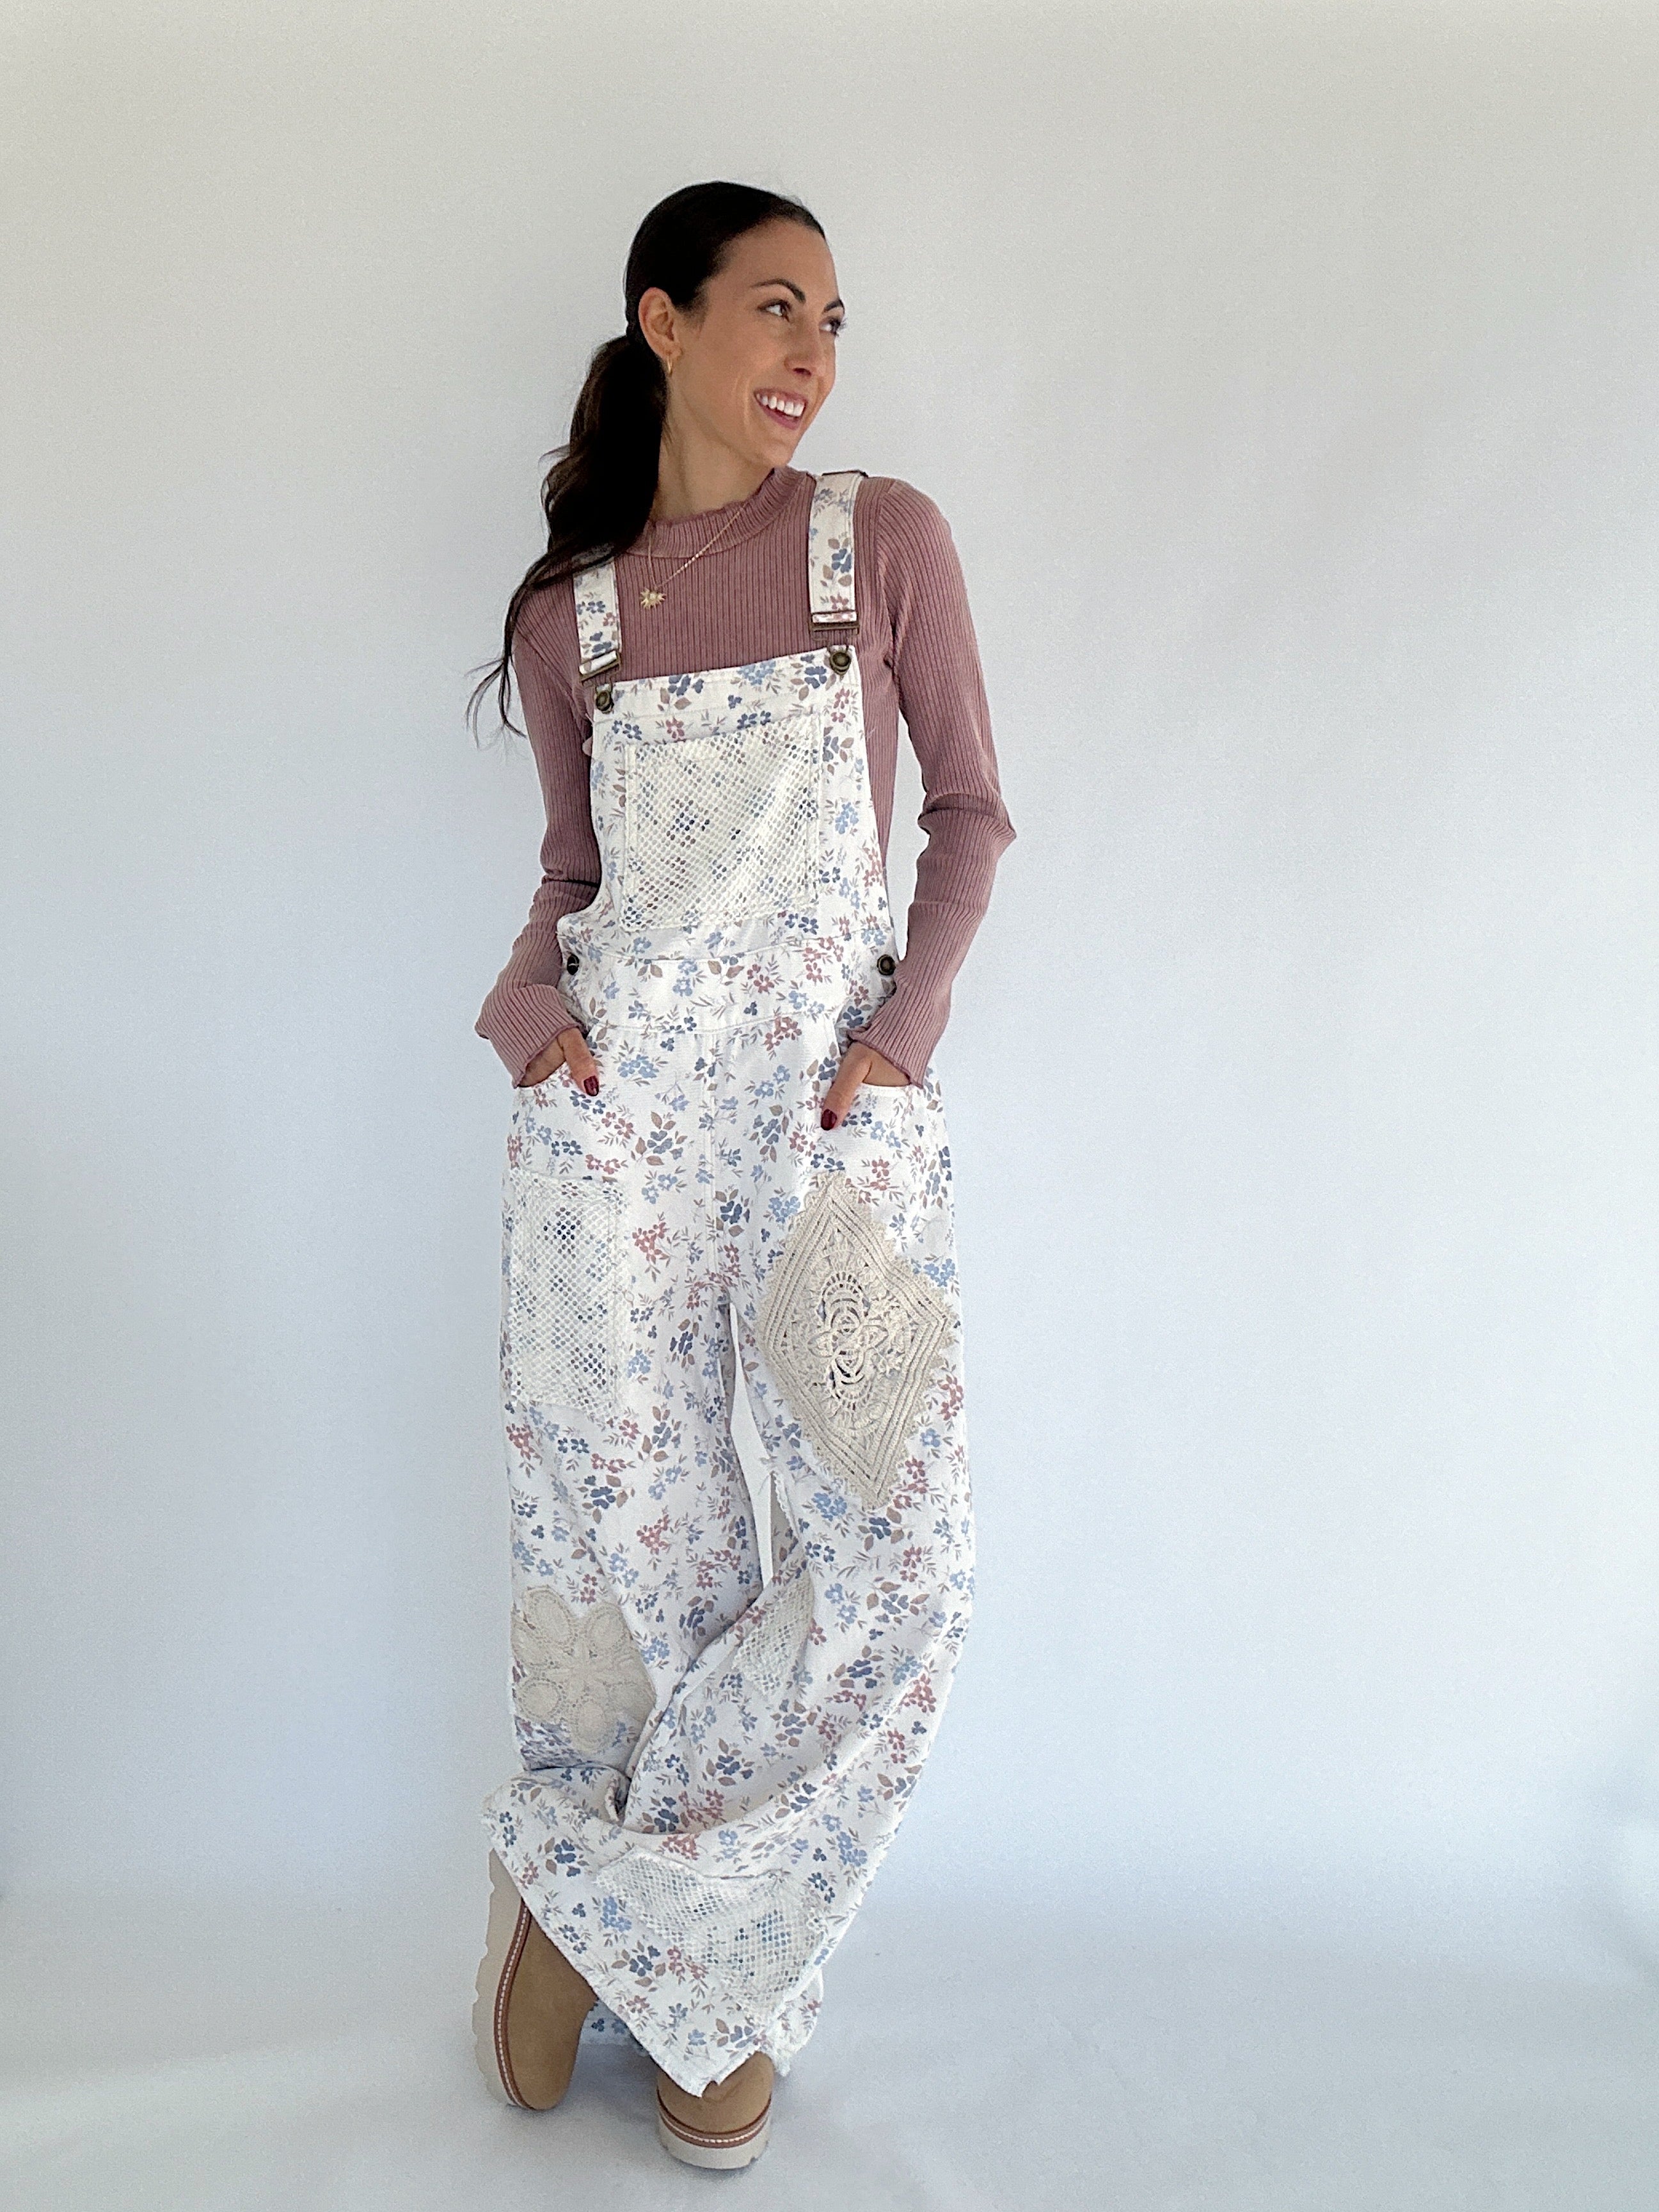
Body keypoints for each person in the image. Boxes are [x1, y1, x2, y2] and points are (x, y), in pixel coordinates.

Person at [466, 179, 1015, 2170]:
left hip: (826, 1127)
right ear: (663, 320)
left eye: (836, 321)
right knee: (641, 1561)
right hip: (613, 1142)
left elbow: (965, 815)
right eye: (774, 308)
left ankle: (608, 1896)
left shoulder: (881, 545)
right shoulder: (572, 617)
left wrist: (892, 1050)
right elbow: (571, 882)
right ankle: (654, 1951)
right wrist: (536, 1029)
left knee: (901, 1568)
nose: (812, 353)